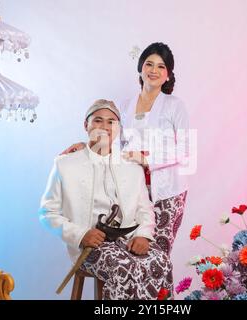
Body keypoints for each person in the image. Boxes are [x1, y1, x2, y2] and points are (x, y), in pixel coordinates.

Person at [62, 43, 190, 256]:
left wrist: (147, 158)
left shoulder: (175, 106)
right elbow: (111, 139)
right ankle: (132, 289)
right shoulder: (124, 105)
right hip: (131, 187)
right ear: (141, 69)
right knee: (132, 252)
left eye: (161, 67)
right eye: (149, 64)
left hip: (168, 191)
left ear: (168, 75)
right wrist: (87, 145)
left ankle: (161, 291)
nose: (154, 70)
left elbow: (185, 149)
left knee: (159, 253)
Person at [39, 99, 173, 300]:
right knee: (124, 268)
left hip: (127, 240)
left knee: (161, 261)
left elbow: (144, 208)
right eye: (98, 120)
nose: (105, 127)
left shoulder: (131, 164)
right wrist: (81, 234)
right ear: (86, 125)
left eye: (111, 122)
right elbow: (46, 213)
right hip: (89, 246)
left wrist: (144, 235)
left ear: (118, 128)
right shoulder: (65, 164)